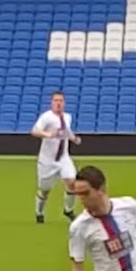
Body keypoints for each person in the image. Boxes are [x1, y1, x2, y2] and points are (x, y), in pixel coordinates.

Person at [31, 91, 82, 223]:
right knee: (45, 190)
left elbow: (66, 131)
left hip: (63, 157)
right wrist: (48, 134)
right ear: (51, 102)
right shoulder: (46, 117)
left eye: (60, 101)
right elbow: (34, 131)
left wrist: (74, 138)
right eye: (55, 100)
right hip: (47, 160)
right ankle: (39, 212)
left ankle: (68, 210)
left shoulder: (67, 117)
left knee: (72, 182)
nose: (58, 103)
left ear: (64, 103)